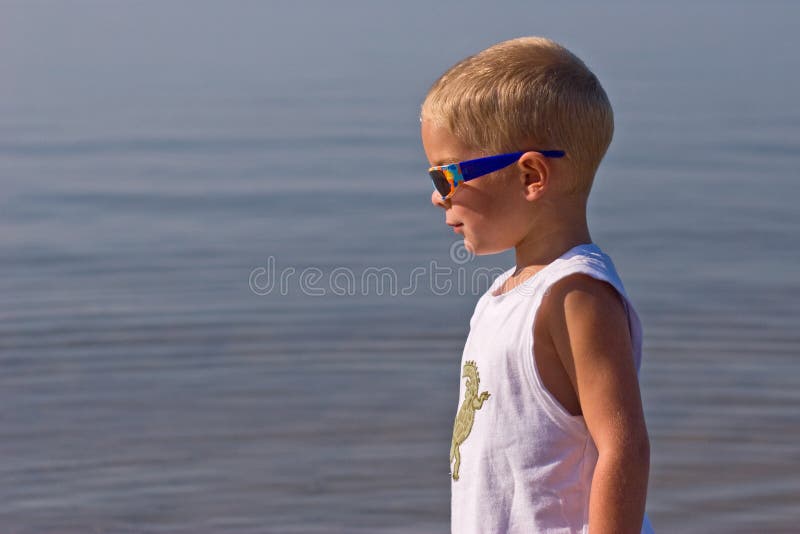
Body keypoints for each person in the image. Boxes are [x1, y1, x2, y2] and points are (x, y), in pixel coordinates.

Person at [420, 37, 655, 534]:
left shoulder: (575, 294)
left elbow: (624, 447)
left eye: (446, 177)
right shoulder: (505, 294)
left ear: (531, 175)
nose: (437, 198)